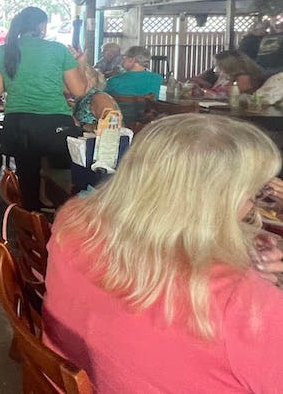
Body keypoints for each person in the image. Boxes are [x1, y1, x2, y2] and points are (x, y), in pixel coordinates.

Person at [42, 115, 283, 392]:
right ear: (215, 200)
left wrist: (232, 256)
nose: (253, 207)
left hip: (60, 379)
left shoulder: (73, 217)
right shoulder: (244, 302)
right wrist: (255, 286)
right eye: (251, 193)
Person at [0, 7, 87, 210]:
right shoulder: (58, 49)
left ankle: (32, 223)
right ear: (41, 26)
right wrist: (81, 63)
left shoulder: (4, 51)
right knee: (66, 174)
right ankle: (68, 219)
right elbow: (79, 90)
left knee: (28, 177)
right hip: (55, 125)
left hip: (18, 125)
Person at [73, 63, 120, 131]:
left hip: (93, 141)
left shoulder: (99, 98)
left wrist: (81, 125)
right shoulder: (83, 98)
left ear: (90, 80)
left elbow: (112, 126)